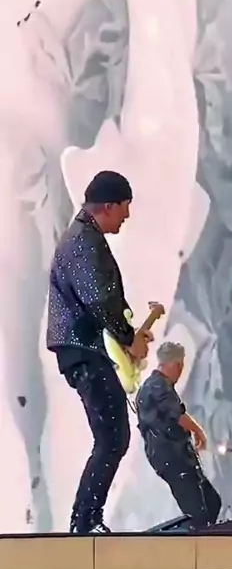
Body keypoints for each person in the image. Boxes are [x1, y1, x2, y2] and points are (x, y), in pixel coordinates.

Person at [47, 170, 152, 534]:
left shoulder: (83, 238)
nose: (127, 215)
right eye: (125, 207)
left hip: (84, 349)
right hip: (83, 350)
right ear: (108, 206)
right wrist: (128, 337)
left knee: (112, 436)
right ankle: (85, 521)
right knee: (112, 437)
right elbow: (99, 300)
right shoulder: (83, 242)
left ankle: (86, 519)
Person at [136, 341, 221, 529]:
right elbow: (177, 414)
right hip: (171, 456)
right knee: (198, 512)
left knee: (211, 502)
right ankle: (193, 539)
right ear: (177, 364)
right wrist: (198, 431)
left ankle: (203, 534)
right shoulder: (158, 386)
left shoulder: (155, 386)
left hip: (175, 456)